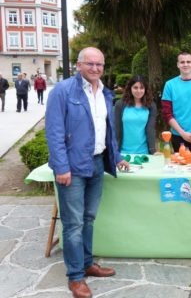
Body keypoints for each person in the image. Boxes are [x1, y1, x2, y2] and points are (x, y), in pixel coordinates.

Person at [45, 47, 130, 298]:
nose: (95, 68)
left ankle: (87, 263)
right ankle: (75, 277)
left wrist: (117, 157)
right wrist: (61, 167)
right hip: (71, 167)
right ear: (78, 65)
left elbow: (107, 130)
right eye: (90, 64)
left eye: (99, 64)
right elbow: (54, 131)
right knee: (73, 224)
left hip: (96, 164)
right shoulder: (62, 91)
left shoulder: (105, 92)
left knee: (89, 218)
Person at [114, 75, 157, 154]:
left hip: (144, 153)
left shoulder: (151, 106)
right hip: (123, 153)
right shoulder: (120, 105)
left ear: (145, 89)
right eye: (135, 87)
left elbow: (151, 129)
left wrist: (153, 150)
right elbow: (116, 129)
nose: (138, 91)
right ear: (130, 88)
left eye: (141, 88)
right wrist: (115, 152)